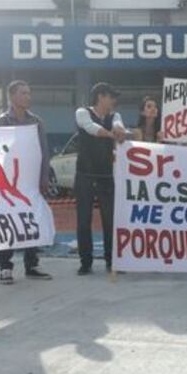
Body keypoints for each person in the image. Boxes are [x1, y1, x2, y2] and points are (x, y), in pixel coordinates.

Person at [0, 80, 53, 284]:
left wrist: (44, 177)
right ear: (12, 97)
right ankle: (5, 267)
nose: (28, 96)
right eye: (23, 93)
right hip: (9, 184)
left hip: (30, 182)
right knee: (8, 223)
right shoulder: (2, 122)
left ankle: (32, 264)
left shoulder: (36, 122)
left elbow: (43, 152)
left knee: (31, 221)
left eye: (29, 93)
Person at [74, 82, 127, 275]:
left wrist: (119, 132)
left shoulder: (115, 116)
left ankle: (112, 259)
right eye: (111, 97)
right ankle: (85, 262)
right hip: (85, 174)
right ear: (100, 97)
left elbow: (119, 126)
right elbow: (90, 128)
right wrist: (111, 134)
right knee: (83, 220)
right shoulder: (82, 112)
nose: (113, 101)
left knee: (110, 219)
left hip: (106, 174)